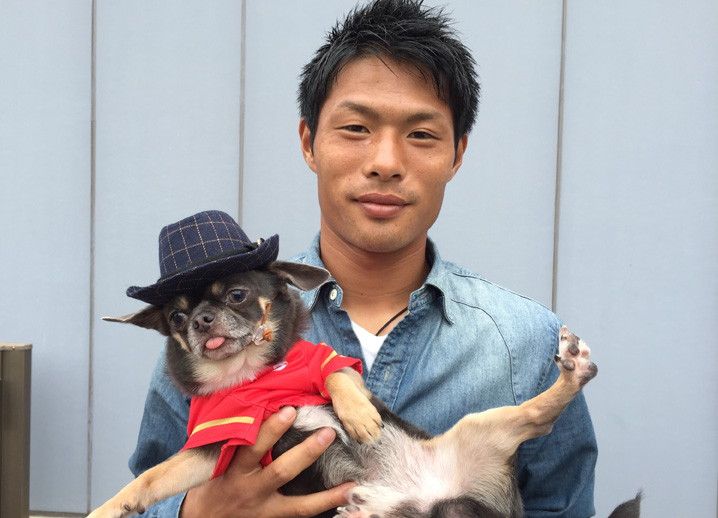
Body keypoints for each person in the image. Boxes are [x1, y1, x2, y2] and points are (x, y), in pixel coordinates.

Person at [128, 1, 597, 517]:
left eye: (421, 134)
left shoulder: (526, 342)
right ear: (309, 142)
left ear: (457, 154)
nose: (385, 163)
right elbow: (145, 500)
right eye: (356, 128)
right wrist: (196, 512)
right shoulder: (210, 347)